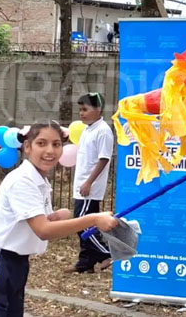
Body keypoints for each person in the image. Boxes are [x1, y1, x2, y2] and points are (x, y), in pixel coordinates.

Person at [0, 122, 118, 316]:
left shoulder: (40, 181)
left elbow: (40, 223)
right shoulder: (23, 180)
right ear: (27, 147)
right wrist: (93, 219)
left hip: (17, 264)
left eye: (56, 144)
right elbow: (43, 230)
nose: (49, 151)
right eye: (41, 143)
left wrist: (56, 217)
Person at [68, 92, 115, 273]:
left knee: (82, 224)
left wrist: (89, 182)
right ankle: (85, 262)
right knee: (86, 223)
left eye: (85, 109)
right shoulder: (89, 129)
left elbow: (103, 159)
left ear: (97, 109)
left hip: (89, 187)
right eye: (80, 109)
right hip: (81, 185)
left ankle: (106, 253)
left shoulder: (103, 130)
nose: (81, 113)